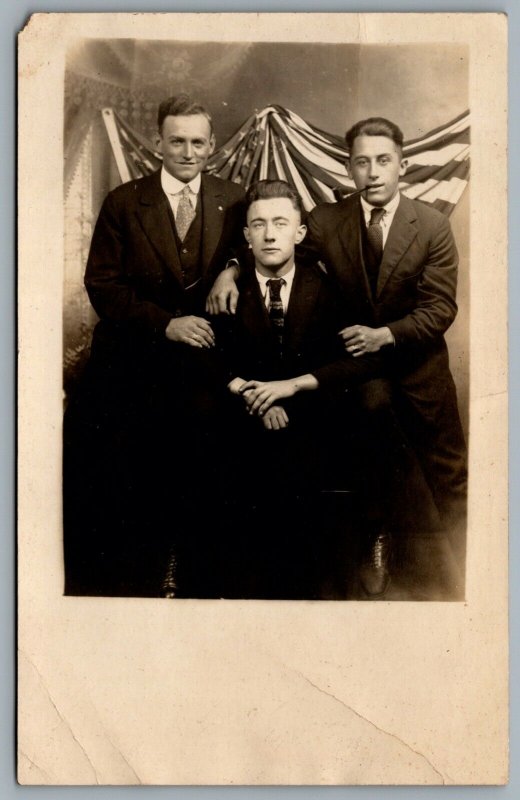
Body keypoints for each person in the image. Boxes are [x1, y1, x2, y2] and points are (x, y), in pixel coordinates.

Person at [207, 118, 467, 598]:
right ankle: (374, 545)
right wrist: (231, 269)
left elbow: (439, 308)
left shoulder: (432, 225)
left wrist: (384, 335)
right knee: (364, 446)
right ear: (349, 166)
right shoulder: (328, 220)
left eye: (383, 161)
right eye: (362, 161)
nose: (372, 172)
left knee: (449, 474)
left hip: (417, 367)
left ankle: (476, 580)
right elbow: (278, 244)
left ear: (402, 165)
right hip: (354, 370)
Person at [63, 94, 245, 596]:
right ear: (159, 144)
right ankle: (142, 570)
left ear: (212, 147)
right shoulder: (124, 202)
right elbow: (102, 284)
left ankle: (190, 566)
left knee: (208, 451)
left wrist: (231, 269)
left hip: (205, 359)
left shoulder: (234, 198)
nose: (188, 152)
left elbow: (251, 249)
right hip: (133, 357)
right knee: (130, 461)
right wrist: (166, 325)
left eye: (198, 143)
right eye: (177, 142)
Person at [214, 179, 386, 598]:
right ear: (246, 235)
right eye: (258, 225)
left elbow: (358, 361)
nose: (270, 234)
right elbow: (209, 358)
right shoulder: (226, 290)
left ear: (300, 232)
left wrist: (292, 389)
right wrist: (255, 398)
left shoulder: (329, 288)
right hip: (244, 416)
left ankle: (351, 556)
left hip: (310, 412)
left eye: (280, 223)